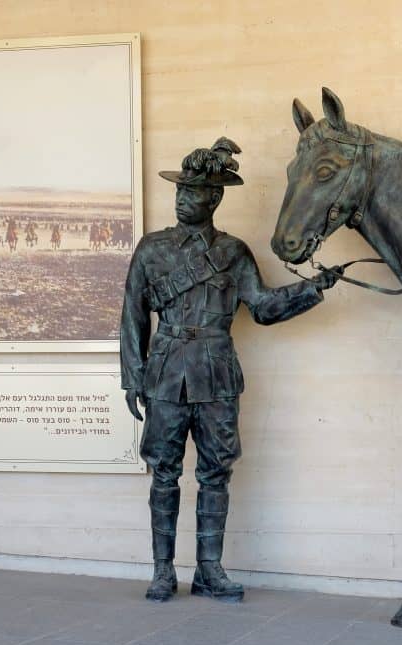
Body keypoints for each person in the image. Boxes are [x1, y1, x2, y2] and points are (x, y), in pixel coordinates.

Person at [120, 137, 337, 603]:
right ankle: (162, 571)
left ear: (214, 198)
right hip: (165, 375)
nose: (182, 199)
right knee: (164, 472)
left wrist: (311, 290)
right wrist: (132, 376)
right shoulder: (151, 250)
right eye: (179, 191)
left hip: (217, 376)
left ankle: (210, 570)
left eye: (193, 193)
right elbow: (133, 317)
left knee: (216, 472)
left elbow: (262, 306)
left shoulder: (234, 253)